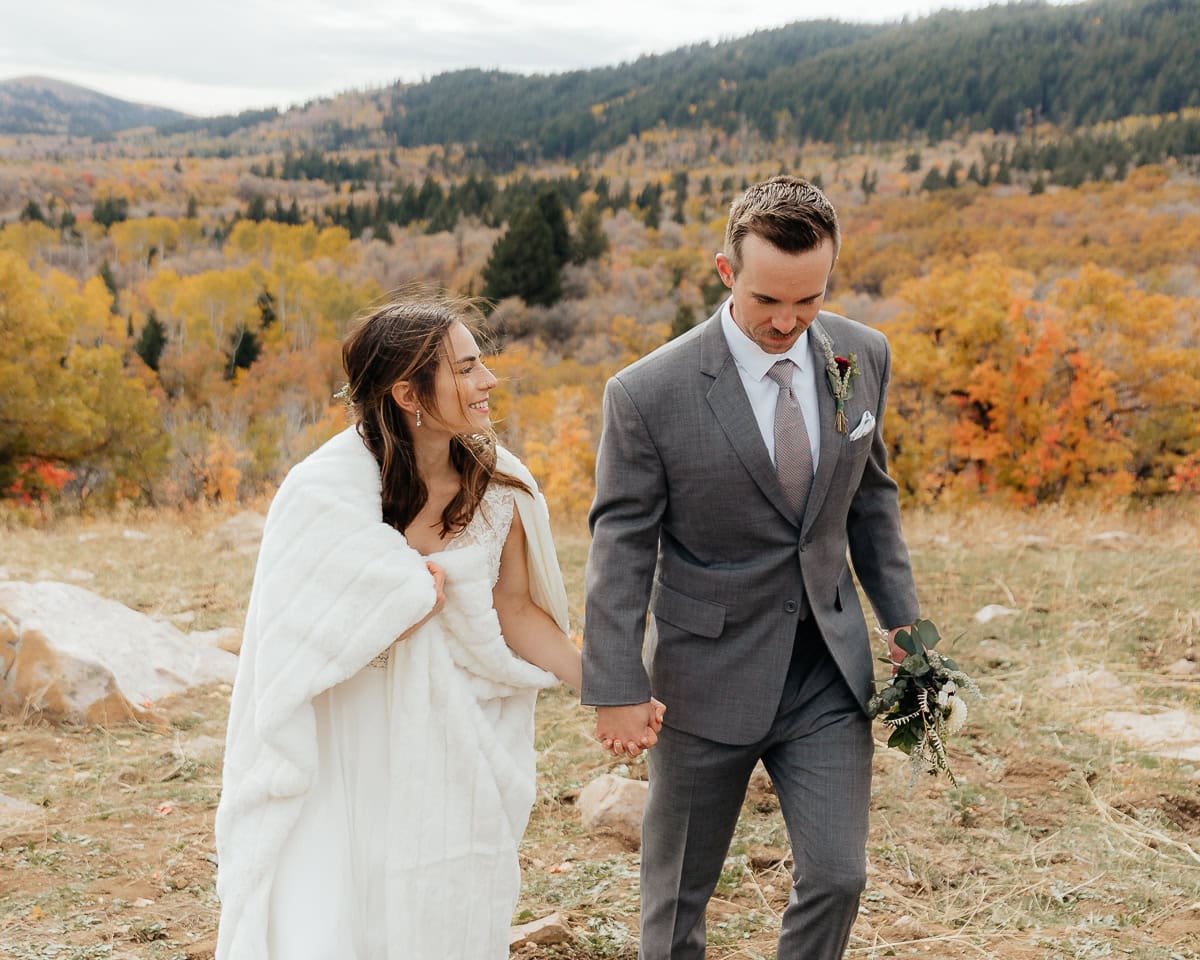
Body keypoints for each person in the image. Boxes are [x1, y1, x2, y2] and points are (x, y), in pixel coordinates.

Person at [582, 176, 920, 960]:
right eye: (770, 299)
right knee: (674, 907)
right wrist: (617, 685)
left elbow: (870, 502)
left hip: (826, 675)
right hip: (703, 678)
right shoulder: (646, 393)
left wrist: (907, 625)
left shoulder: (860, 354)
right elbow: (622, 545)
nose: (788, 322)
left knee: (839, 876)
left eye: (809, 301)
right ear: (726, 272)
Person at [214, 294, 584, 960]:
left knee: (441, 896)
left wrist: (605, 685)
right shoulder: (323, 489)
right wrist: (407, 592)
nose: (488, 382)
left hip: (448, 731)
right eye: (467, 369)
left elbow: (516, 609)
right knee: (338, 902)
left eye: (482, 365)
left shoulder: (501, 486)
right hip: (346, 732)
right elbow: (301, 628)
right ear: (409, 393)